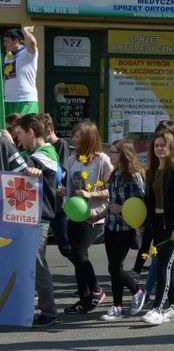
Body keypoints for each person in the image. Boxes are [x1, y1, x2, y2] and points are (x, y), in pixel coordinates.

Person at [64, 121, 113, 314]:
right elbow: (69, 186)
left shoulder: (102, 160)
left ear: (88, 139)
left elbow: (112, 190)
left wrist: (90, 195)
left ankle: (96, 291)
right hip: (74, 214)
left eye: (77, 136)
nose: (73, 139)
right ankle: (84, 299)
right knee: (77, 257)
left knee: (78, 252)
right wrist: (65, 195)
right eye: (73, 135)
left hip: (94, 216)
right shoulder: (71, 159)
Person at [141, 131, 174, 325]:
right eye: (156, 145)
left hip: (173, 226)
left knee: (163, 265)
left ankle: (157, 309)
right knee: (168, 265)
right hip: (157, 224)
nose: (159, 148)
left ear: (170, 147)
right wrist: (146, 224)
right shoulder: (152, 170)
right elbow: (148, 200)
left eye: (163, 145)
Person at [15, 114, 59, 327]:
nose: (19, 139)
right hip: (25, 215)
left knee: (37, 263)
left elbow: (24, 163)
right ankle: (25, 305)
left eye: (20, 134)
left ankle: (49, 311)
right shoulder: (29, 153)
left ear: (31, 132)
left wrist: (6, 144)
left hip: (40, 218)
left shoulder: (47, 153)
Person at [100, 139, 147, 321]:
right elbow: (110, 201)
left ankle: (137, 291)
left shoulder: (134, 175)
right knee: (114, 268)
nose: (110, 155)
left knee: (114, 266)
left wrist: (122, 208)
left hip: (125, 227)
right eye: (110, 152)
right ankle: (117, 306)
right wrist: (98, 216)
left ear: (124, 154)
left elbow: (140, 202)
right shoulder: (114, 174)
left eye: (114, 152)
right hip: (110, 225)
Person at [41, 112, 73, 260]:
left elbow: (62, 172)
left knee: (66, 247)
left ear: (49, 130)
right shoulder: (45, 147)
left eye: (41, 134)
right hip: (50, 203)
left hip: (59, 206)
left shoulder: (61, 145)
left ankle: (89, 279)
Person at [2, 27, 39, 115]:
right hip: (8, 100)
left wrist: (25, 31)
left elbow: (32, 42)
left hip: (25, 99)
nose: (4, 44)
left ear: (15, 40)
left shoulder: (28, 52)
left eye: (7, 41)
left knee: (23, 128)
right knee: (8, 128)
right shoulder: (8, 56)